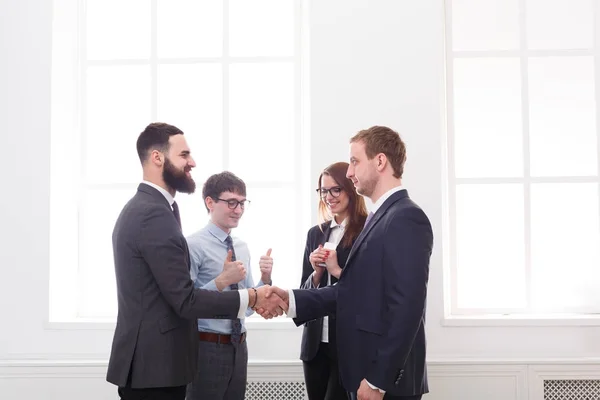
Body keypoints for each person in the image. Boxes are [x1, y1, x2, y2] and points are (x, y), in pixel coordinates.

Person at [106, 122, 286, 400]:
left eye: (242, 202)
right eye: (184, 155)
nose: (192, 162)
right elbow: (185, 299)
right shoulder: (152, 213)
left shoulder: (153, 208)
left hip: (158, 365)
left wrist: (257, 289)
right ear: (157, 157)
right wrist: (251, 296)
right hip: (155, 366)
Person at [268, 126, 433, 400]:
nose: (349, 172)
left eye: (355, 161)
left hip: (383, 381)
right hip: (364, 372)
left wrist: (379, 380)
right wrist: (289, 299)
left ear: (380, 161)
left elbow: (407, 308)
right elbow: (353, 292)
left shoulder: (405, 217)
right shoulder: (380, 218)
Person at [185, 171, 274, 400]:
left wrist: (264, 280)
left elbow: (246, 306)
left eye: (242, 203)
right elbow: (184, 304)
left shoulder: (242, 247)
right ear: (210, 202)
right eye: (231, 202)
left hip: (239, 347)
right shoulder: (192, 245)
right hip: (205, 348)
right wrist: (222, 281)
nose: (238, 210)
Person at [299, 162, 367, 400]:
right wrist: (316, 273)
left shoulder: (368, 230)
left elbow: (369, 288)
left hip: (349, 342)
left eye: (335, 189)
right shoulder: (315, 233)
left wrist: (337, 270)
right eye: (323, 191)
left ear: (350, 188)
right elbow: (304, 291)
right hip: (316, 344)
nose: (328, 197)